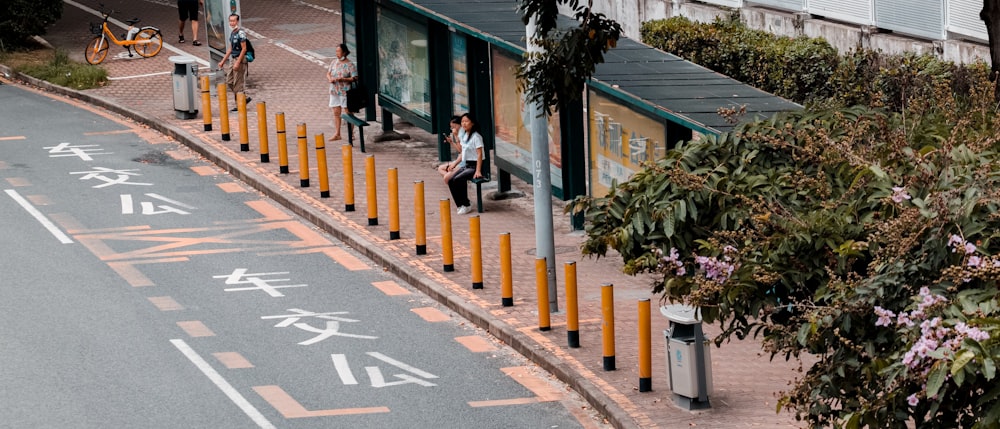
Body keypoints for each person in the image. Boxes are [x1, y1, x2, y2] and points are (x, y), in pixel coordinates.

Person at [445, 113, 484, 215]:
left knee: (458, 179)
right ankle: (460, 204)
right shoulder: (465, 136)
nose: (464, 124)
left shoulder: (476, 137)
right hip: (467, 165)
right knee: (451, 180)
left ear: (472, 123)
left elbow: (479, 154)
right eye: (462, 121)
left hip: (475, 166)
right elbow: (463, 153)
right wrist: (454, 164)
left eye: (466, 121)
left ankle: (466, 204)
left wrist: (478, 170)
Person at [218, 14, 250, 111]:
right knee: (229, 81)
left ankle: (240, 105)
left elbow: (244, 49)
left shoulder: (241, 33)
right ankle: (244, 98)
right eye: (230, 21)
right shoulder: (232, 33)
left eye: (234, 21)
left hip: (240, 60)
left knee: (238, 84)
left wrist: (238, 62)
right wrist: (223, 61)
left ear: (237, 21)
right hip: (233, 59)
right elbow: (230, 49)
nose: (232, 23)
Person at [326, 43, 357, 141]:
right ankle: (337, 133)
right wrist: (330, 78)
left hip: (345, 91)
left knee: (348, 111)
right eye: (336, 51)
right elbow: (328, 73)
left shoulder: (350, 65)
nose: (337, 53)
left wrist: (343, 79)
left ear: (344, 52)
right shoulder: (334, 62)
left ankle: (351, 134)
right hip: (334, 90)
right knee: (336, 111)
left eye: (339, 51)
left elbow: (355, 77)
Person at [436, 115, 464, 180]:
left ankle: (452, 181)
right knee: (441, 168)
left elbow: (462, 151)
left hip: (463, 162)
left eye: (454, 127)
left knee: (446, 175)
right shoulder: (459, 133)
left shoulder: (463, 134)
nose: (453, 129)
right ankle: (452, 181)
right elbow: (460, 150)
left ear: (459, 124)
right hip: (460, 160)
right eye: (452, 128)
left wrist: (456, 136)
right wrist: (451, 142)